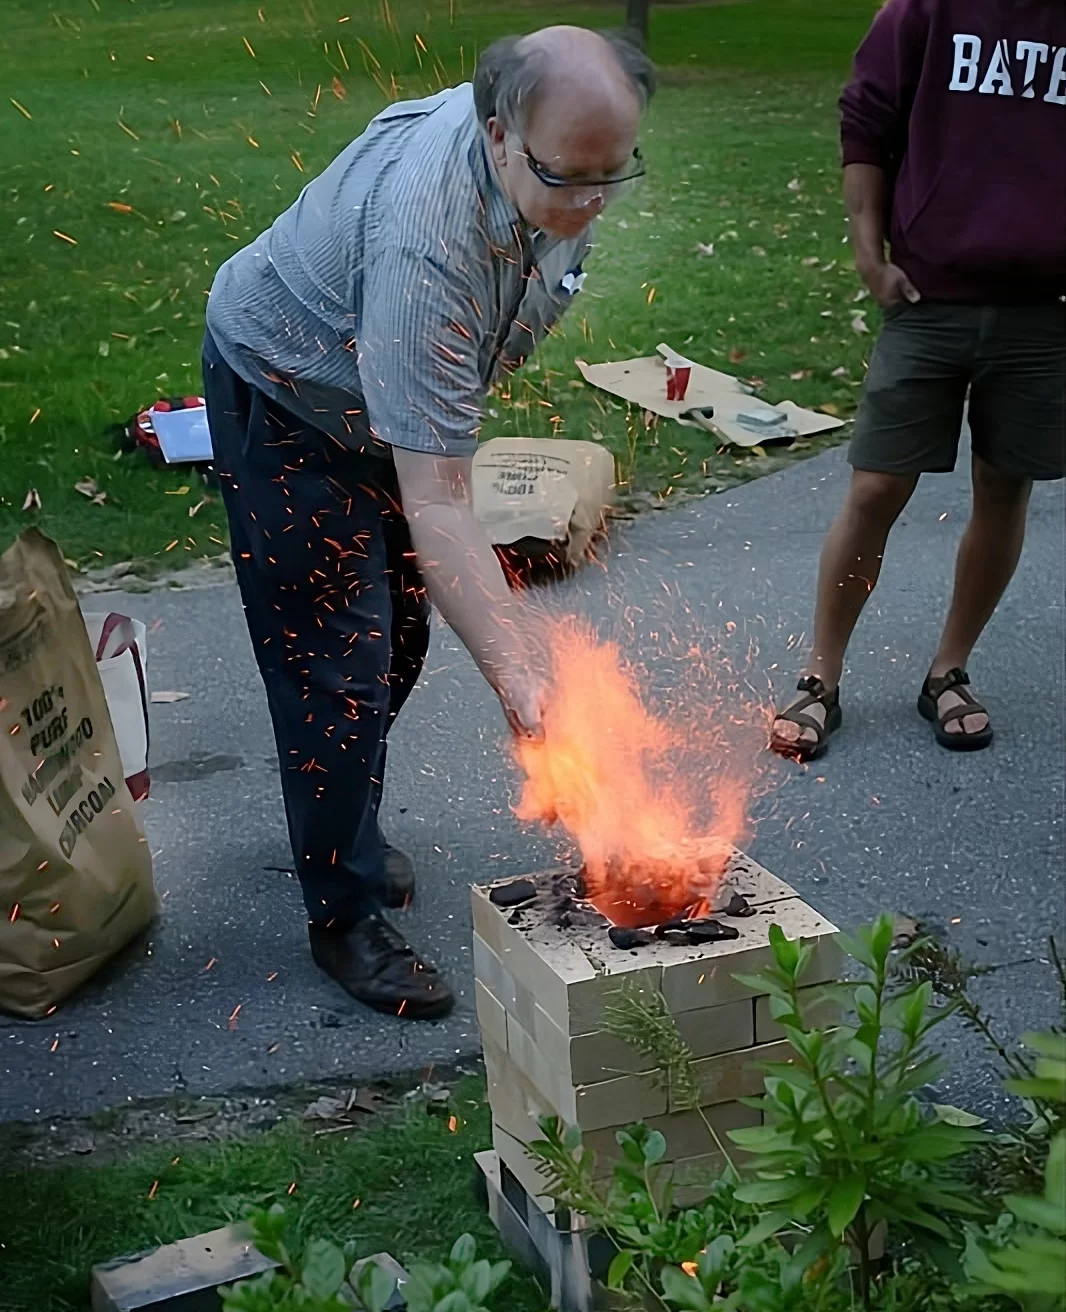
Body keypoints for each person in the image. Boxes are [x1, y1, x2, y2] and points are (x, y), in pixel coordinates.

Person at [201, 26, 655, 1019]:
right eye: (567, 179)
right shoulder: (430, 240)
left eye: (610, 178)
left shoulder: (552, 154)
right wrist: (525, 677)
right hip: (286, 398)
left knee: (399, 635)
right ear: (500, 136)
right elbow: (442, 500)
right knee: (338, 665)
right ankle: (343, 913)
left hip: (382, 409)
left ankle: (343, 822)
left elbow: (435, 472)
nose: (588, 206)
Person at [770, 0, 1065, 762]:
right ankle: (820, 677)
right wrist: (870, 252)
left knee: (1006, 487)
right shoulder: (926, 9)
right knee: (876, 489)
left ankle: (948, 671)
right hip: (928, 299)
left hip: (1042, 312)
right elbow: (866, 119)